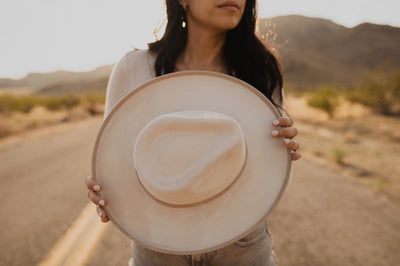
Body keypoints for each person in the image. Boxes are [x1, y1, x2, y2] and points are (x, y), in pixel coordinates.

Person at [86, 0, 301, 265]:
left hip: (241, 242)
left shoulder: (259, 68)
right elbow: (113, 156)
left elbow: (271, 173)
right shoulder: (135, 67)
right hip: (157, 241)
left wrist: (283, 150)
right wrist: (104, 189)